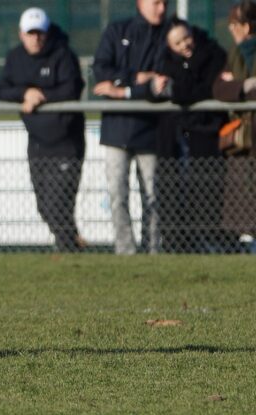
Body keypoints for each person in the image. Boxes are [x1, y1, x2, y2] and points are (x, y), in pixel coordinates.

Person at [0, 7, 86, 253]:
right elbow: (2, 89)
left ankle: (69, 249)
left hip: (66, 142)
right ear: (21, 34)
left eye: (40, 33)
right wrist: (25, 93)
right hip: (36, 141)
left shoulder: (63, 54)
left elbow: (72, 88)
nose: (36, 38)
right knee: (44, 207)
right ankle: (72, 247)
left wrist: (41, 96)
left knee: (59, 204)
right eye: (30, 33)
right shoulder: (15, 57)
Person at [92, 0, 168, 254]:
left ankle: (152, 250)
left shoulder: (168, 35)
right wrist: (138, 78)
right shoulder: (117, 31)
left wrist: (122, 90)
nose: (161, 8)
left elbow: (161, 84)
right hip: (117, 130)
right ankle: (125, 251)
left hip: (152, 129)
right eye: (156, 3)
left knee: (153, 195)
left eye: (165, 3)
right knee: (117, 194)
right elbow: (101, 71)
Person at [151, 18, 228, 253]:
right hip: (175, 137)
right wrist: (160, 88)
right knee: (174, 191)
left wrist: (177, 89)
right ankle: (177, 245)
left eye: (186, 38)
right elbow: (159, 91)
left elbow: (205, 89)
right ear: (169, 46)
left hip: (205, 134)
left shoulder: (213, 53)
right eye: (178, 43)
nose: (185, 45)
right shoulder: (163, 61)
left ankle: (212, 243)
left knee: (207, 191)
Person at [213, 1, 256, 249]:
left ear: (246, 26)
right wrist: (247, 85)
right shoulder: (234, 54)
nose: (230, 29)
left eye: (234, 24)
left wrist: (237, 86)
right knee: (244, 205)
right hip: (243, 140)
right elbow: (219, 88)